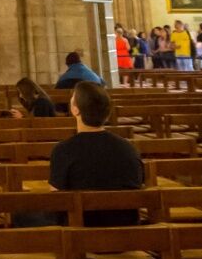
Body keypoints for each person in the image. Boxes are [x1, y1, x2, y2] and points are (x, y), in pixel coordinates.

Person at [47, 82, 144, 226]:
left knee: (22, 216)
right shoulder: (128, 148)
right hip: (126, 233)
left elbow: (57, 201)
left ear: (75, 110)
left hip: (80, 233)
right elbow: (138, 186)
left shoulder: (63, 150)